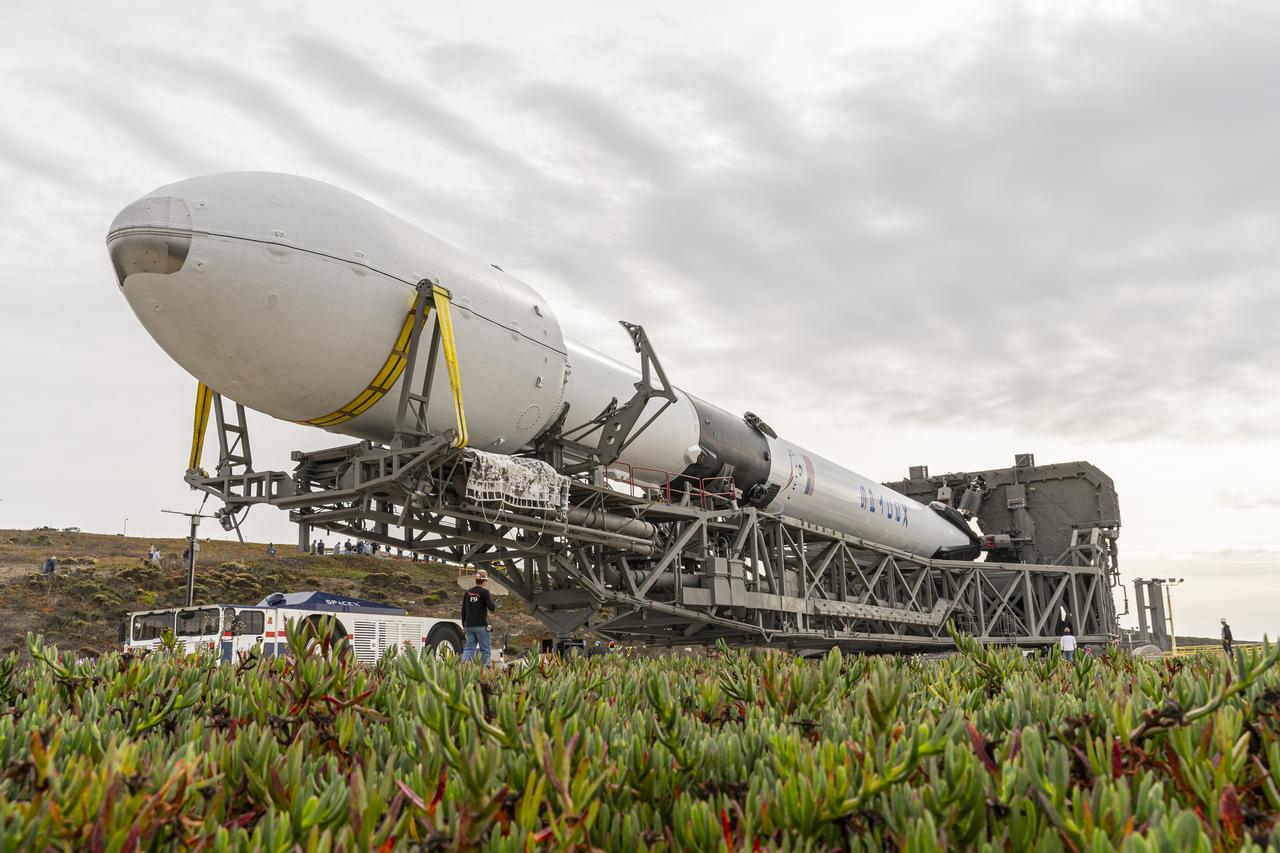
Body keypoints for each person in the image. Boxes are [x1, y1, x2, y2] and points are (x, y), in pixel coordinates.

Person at [460, 569, 498, 666]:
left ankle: (462, 668)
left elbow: (463, 610)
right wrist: (495, 604)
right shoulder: (485, 592)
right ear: (484, 581)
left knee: (469, 649)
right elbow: (492, 608)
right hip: (481, 626)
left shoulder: (468, 593)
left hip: (469, 626)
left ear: (476, 580)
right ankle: (483, 671)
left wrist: (464, 625)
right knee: (485, 650)